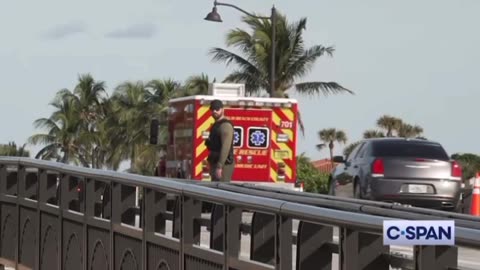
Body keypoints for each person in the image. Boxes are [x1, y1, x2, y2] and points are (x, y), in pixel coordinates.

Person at [205, 99, 235, 182]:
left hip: (224, 164)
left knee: (221, 188)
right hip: (215, 161)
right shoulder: (216, 125)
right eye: (212, 109)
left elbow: (225, 147)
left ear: (222, 109)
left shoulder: (225, 126)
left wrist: (219, 166)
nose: (214, 111)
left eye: (217, 109)